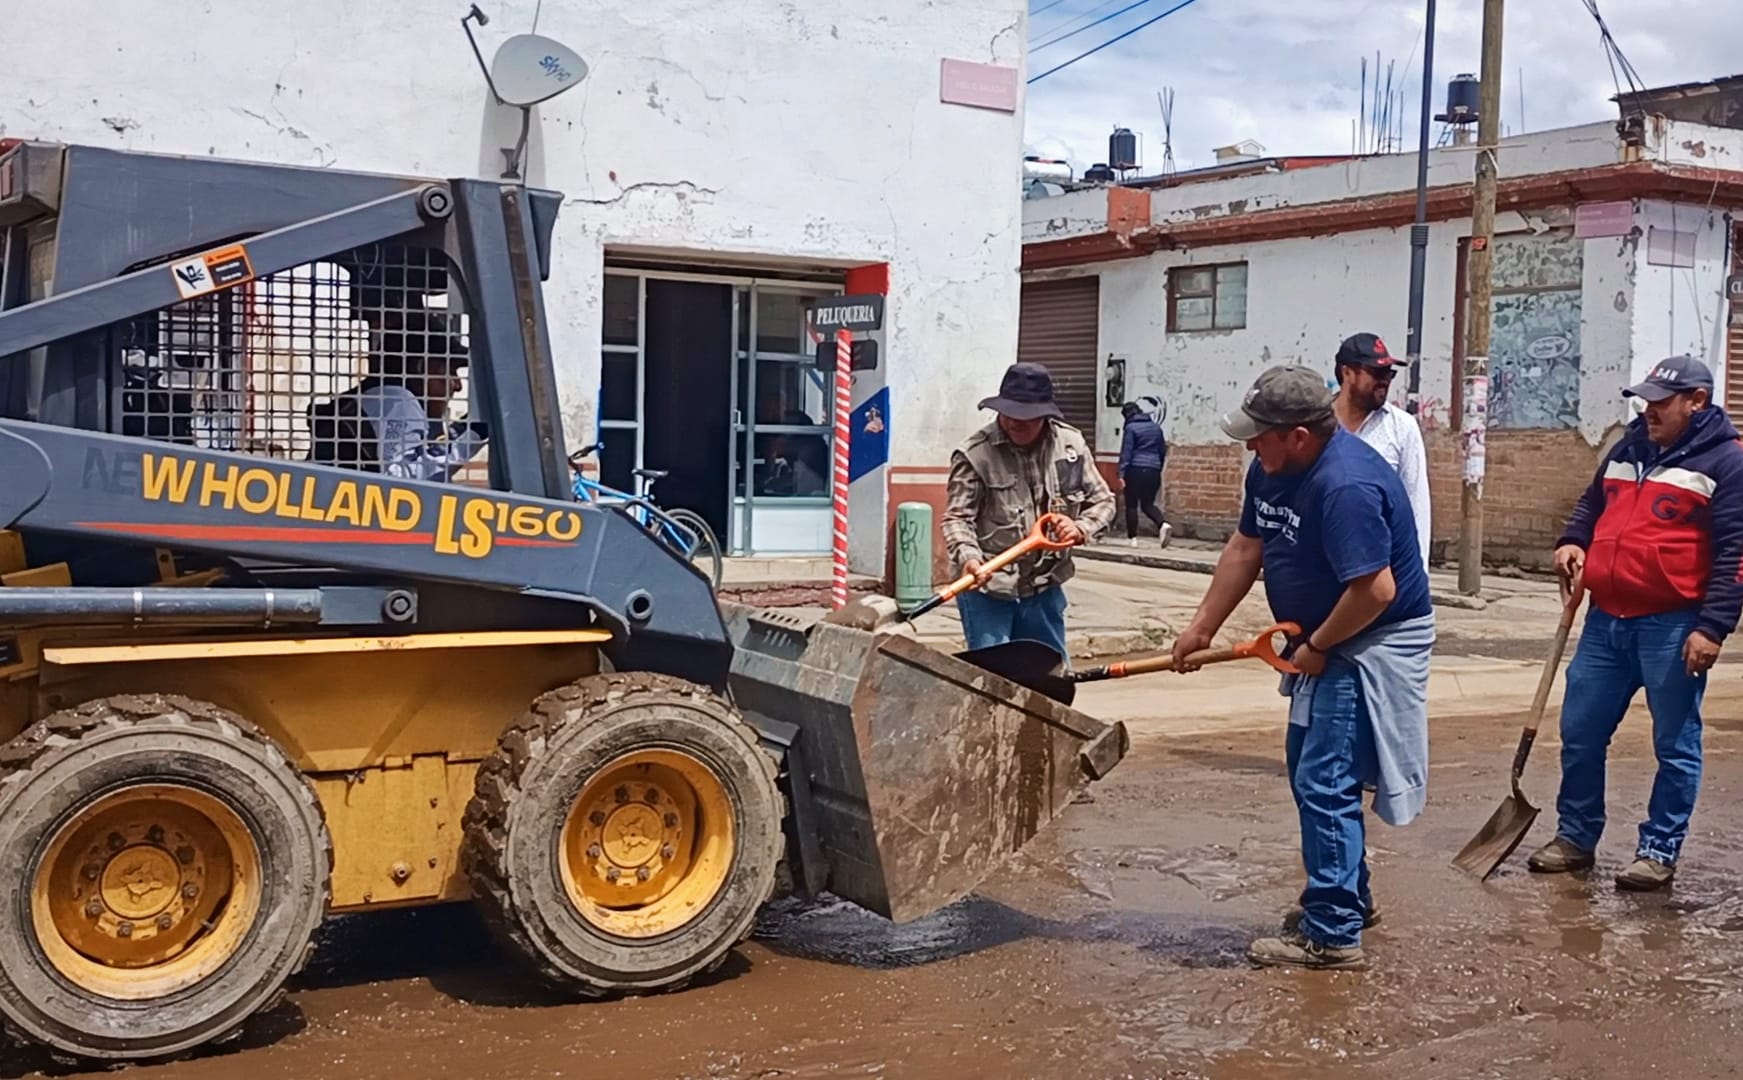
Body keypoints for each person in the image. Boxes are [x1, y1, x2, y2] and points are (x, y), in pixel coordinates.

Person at [1172, 365, 1434, 971]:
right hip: (1327, 632)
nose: (1249, 445)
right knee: (1306, 768)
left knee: (1326, 778)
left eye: (1260, 435)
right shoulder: (1270, 470)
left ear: (1298, 435)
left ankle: (1334, 931)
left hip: (1370, 637)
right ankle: (1348, 896)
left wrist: (1316, 644)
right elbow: (1246, 549)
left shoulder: (1344, 485)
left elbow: (1375, 591)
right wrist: (1201, 626)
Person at [1527, 355, 1743, 891]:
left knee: (1674, 742)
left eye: (1661, 402)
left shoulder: (1727, 463)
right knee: (1580, 731)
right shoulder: (1627, 448)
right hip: (1606, 620)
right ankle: (1576, 838)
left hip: (1674, 624)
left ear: (1697, 402)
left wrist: (1713, 627)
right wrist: (1572, 543)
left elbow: (1736, 551)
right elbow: (1590, 505)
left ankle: (1658, 849)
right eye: (1645, 400)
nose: (1649, 411)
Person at [941, 361, 1116, 659]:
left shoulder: (1070, 446)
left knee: (1051, 678)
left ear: (1045, 415)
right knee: (993, 679)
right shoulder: (975, 454)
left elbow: (1104, 501)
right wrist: (969, 558)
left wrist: (1080, 528)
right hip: (989, 591)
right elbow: (958, 518)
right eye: (1008, 414)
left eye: (1025, 417)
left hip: (1044, 586)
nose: (1013, 423)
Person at [312, 311, 487, 481]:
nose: (457, 385)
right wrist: (473, 435)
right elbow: (400, 480)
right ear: (422, 368)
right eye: (450, 371)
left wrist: (462, 431)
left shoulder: (374, 398)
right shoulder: (397, 401)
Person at [1332, 333, 1431, 572]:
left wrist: (1418, 575)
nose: (1385, 381)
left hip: (1380, 569)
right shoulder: (1316, 423)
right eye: (1377, 373)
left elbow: (1416, 505)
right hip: (1324, 568)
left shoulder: (1401, 428)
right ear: (1347, 373)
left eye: (1390, 373)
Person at [1118, 400, 1172, 547]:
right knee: (1148, 504)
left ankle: (1133, 539)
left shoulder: (1130, 428)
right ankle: (1163, 524)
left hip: (1135, 469)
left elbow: (1126, 452)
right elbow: (1162, 451)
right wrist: (1157, 469)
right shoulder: (1156, 428)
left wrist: (1121, 474)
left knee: (1131, 505)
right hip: (1153, 470)